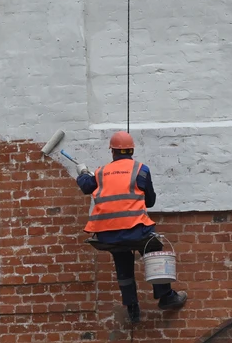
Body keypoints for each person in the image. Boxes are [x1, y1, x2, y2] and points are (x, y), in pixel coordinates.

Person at [76, 131, 187, 323]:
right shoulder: (141, 170)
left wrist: (83, 173)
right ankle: (165, 297)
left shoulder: (100, 172)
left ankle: (132, 308)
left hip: (106, 235)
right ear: (132, 150)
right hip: (135, 230)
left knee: (122, 259)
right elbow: (150, 201)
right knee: (153, 249)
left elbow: (86, 186)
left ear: (112, 152)